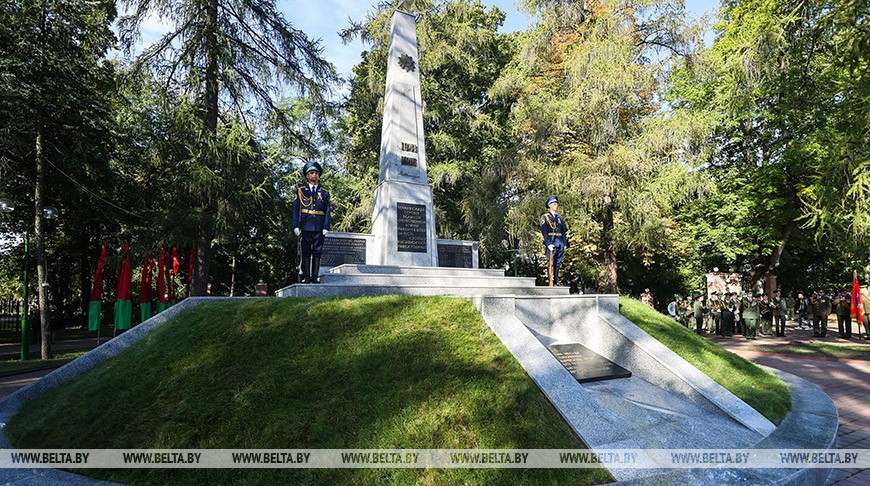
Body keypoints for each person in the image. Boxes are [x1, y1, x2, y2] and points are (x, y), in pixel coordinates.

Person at [293, 161, 331, 284]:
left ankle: (315, 277)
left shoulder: (324, 193)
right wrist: (296, 225)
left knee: (317, 251)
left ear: (319, 176)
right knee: (305, 251)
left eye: (316, 173)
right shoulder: (301, 191)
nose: (314, 175)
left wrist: (326, 226)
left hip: (319, 226)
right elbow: (296, 210)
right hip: (305, 225)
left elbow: (327, 210)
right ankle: (306, 277)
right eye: (311, 173)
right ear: (307, 176)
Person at [540, 195, 568, 286]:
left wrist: (564, 243)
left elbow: (564, 232)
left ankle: (556, 280)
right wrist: (548, 243)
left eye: (556, 204)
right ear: (550, 205)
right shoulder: (545, 217)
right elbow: (544, 231)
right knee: (550, 262)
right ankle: (550, 281)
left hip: (559, 242)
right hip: (552, 242)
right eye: (554, 204)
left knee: (558, 263)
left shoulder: (560, 218)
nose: (556, 205)